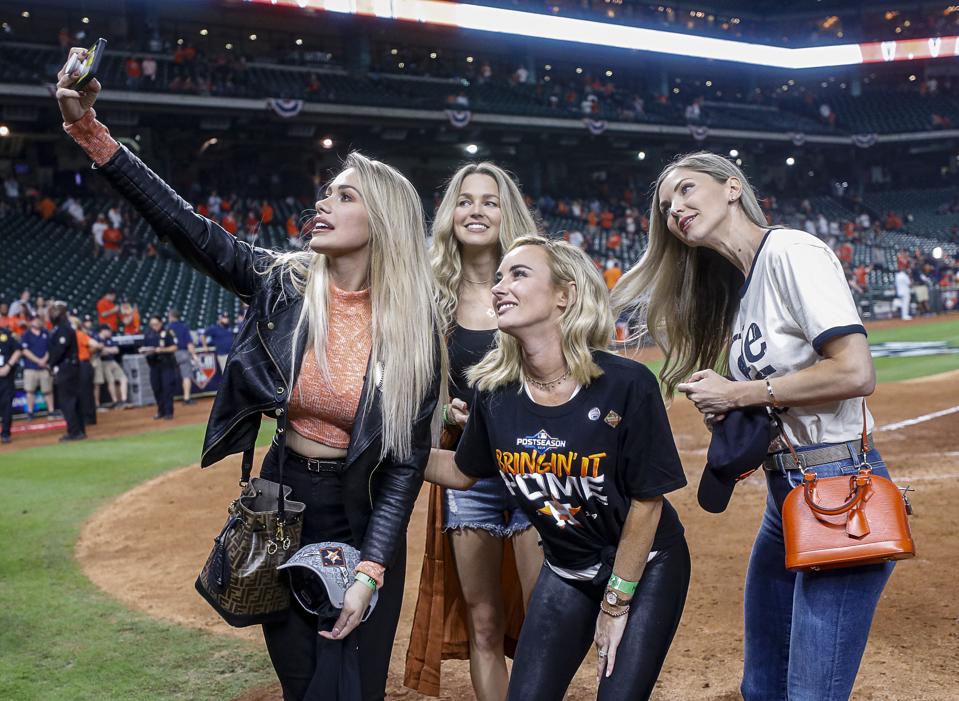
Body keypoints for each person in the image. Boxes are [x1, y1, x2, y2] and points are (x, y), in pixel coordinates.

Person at [57, 47, 440, 701]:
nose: (322, 201)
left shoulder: (414, 329)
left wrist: (371, 568)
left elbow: (404, 463)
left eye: (343, 195)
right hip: (280, 504)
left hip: (361, 516)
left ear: (382, 221)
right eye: (325, 191)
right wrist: (92, 134)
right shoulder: (282, 281)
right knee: (303, 686)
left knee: (351, 687)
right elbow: (185, 227)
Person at [611, 151, 892, 701]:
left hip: (837, 487)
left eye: (688, 190)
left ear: (732, 187)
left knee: (811, 691)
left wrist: (738, 391)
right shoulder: (742, 288)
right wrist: (734, 409)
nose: (676, 209)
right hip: (786, 494)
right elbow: (780, 391)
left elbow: (856, 370)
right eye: (668, 207)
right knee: (762, 684)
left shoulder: (791, 251)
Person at [426, 236, 690, 701]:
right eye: (500, 276)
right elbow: (465, 472)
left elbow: (648, 502)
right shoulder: (495, 392)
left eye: (519, 274)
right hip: (567, 568)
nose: (500, 286)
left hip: (645, 567)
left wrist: (615, 603)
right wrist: (385, 453)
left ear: (564, 295)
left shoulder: (626, 385)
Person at [406, 164, 542, 700]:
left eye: (490, 201)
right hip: (469, 480)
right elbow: (413, 396)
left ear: (507, 213)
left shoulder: (539, 284)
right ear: (451, 215)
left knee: (540, 618)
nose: (477, 211)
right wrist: (445, 417)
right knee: (483, 624)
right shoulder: (430, 299)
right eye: (465, 201)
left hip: (537, 471)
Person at [47, 301, 85, 441]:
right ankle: (79, 430)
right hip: (71, 366)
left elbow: (60, 349)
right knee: (74, 399)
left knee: (67, 401)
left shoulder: (63, 329)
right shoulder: (63, 328)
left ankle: (74, 431)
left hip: (66, 367)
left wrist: (50, 363)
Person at [139, 314, 177, 419]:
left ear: (161, 323)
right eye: (152, 324)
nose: (154, 326)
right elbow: (144, 347)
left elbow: (174, 347)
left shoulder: (167, 333)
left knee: (167, 388)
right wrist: (143, 350)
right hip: (154, 365)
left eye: (156, 324)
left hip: (166, 364)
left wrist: (161, 350)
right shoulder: (148, 334)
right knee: (156, 388)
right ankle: (161, 411)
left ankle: (169, 412)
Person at [20, 316, 54, 418]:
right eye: (34, 319)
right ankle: (30, 412)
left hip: (44, 366)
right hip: (30, 367)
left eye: (38, 319)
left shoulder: (45, 333)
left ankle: (51, 411)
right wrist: (38, 360)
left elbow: (51, 348)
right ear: (30, 322)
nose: (37, 321)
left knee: (48, 390)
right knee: (30, 390)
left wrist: (44, 359)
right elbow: (24, 350)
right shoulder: (26, 334)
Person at [166, 309, 197, 404]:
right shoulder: (183, 327)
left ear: (171, 316)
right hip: (182, 353)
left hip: (169, 354)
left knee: (167, 376)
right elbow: (189, 343)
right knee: (186, 376)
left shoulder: (167, 327)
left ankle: (167, 398)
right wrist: (194, 355)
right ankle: (186, 398)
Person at [96, 324, 128, 407]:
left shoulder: (109, 339)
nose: (110, 332)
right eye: (108, 331)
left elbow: (116, 350)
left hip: (112, 361)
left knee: (123, 378)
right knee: (111, 381)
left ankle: (124, 400)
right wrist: (109, 350)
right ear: (103, 331)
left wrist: (106, 350)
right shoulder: (97, 339)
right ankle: (115, 401)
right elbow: (99, 353)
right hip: (103, 363)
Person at [0, 322, 21, 444]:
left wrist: (8, 366)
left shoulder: (6, 334)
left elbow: (18, 349)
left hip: (5, 377)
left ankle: (6, 433)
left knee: (6, 405)